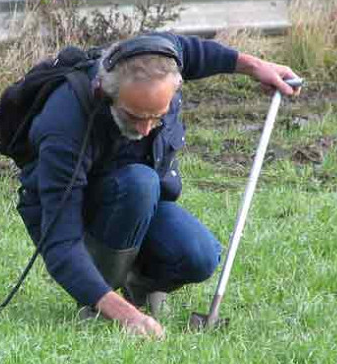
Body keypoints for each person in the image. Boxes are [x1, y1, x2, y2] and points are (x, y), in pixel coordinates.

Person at [16, 31, 300, 339]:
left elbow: (192, 52)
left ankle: (139, 285)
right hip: (80, 214)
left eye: (158, 117)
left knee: (200, 255)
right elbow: (61, 243)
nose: (146, 128)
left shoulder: (160, 59)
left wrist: (257, 66)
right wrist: (127, 317)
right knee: (140, 182)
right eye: (134, 116)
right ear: (104, 92)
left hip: (137, 201)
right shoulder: (65, 122)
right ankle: (100, 300)